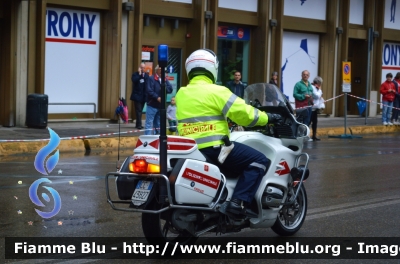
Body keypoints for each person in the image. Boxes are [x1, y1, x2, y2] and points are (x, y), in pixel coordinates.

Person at [176, 49, 282, 218]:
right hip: (216, 149)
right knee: (259, 161)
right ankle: (237, 203)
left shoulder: (181, 93)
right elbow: (244, 114)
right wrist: (267, 118)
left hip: (192, 150)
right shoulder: (217, 91)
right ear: (212, 69)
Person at [145, 65, 173, 135]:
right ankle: (147, 139)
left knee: (158, 124)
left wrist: (164, 87)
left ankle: (157, 138)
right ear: (156, 70)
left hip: (160, 106)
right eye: (160, 69)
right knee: (149, 123)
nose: (162, 71)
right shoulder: (151, 78)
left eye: (163, 69)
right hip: (152, 105)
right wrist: (157, 97)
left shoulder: (165, 79)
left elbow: (170, 89)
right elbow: (149, 90)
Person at [130, 63, 149, 129]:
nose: (142, 69)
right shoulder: (135, 74)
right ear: (139, 68)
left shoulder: (146, 76)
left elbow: (147, 86)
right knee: (138, 110)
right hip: (137, 96)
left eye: (143, 68)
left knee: (140, 110)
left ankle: (138, 124)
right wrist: (139, 74)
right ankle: (139, 125)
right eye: (141, 67)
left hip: (143, 96)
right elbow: (134, 80)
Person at [309, 76, 324, 141]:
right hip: (311, 108)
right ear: (317, 82)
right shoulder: (312, 87)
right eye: (320, 83)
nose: (320, 84)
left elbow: (320, 96)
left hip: (315, 108)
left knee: (315, 122)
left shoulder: (317, 88)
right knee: (308, 122)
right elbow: (316, 95)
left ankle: (314, 135)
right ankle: (306, 135)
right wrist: (320, 90)